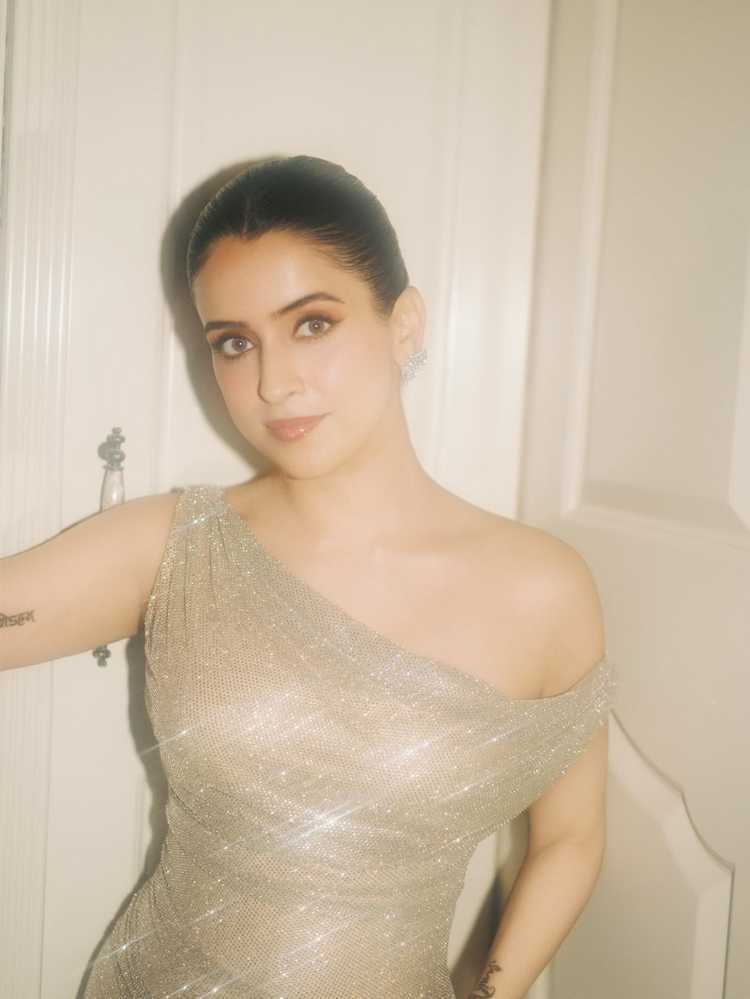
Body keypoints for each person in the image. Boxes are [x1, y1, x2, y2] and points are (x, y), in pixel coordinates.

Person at [0, 154, 618, 999]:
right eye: (234, 342)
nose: (272, 382)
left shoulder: (543, 589)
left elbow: (571, 838)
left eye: (313, 324)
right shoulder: (178, 545)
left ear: (404, 324)